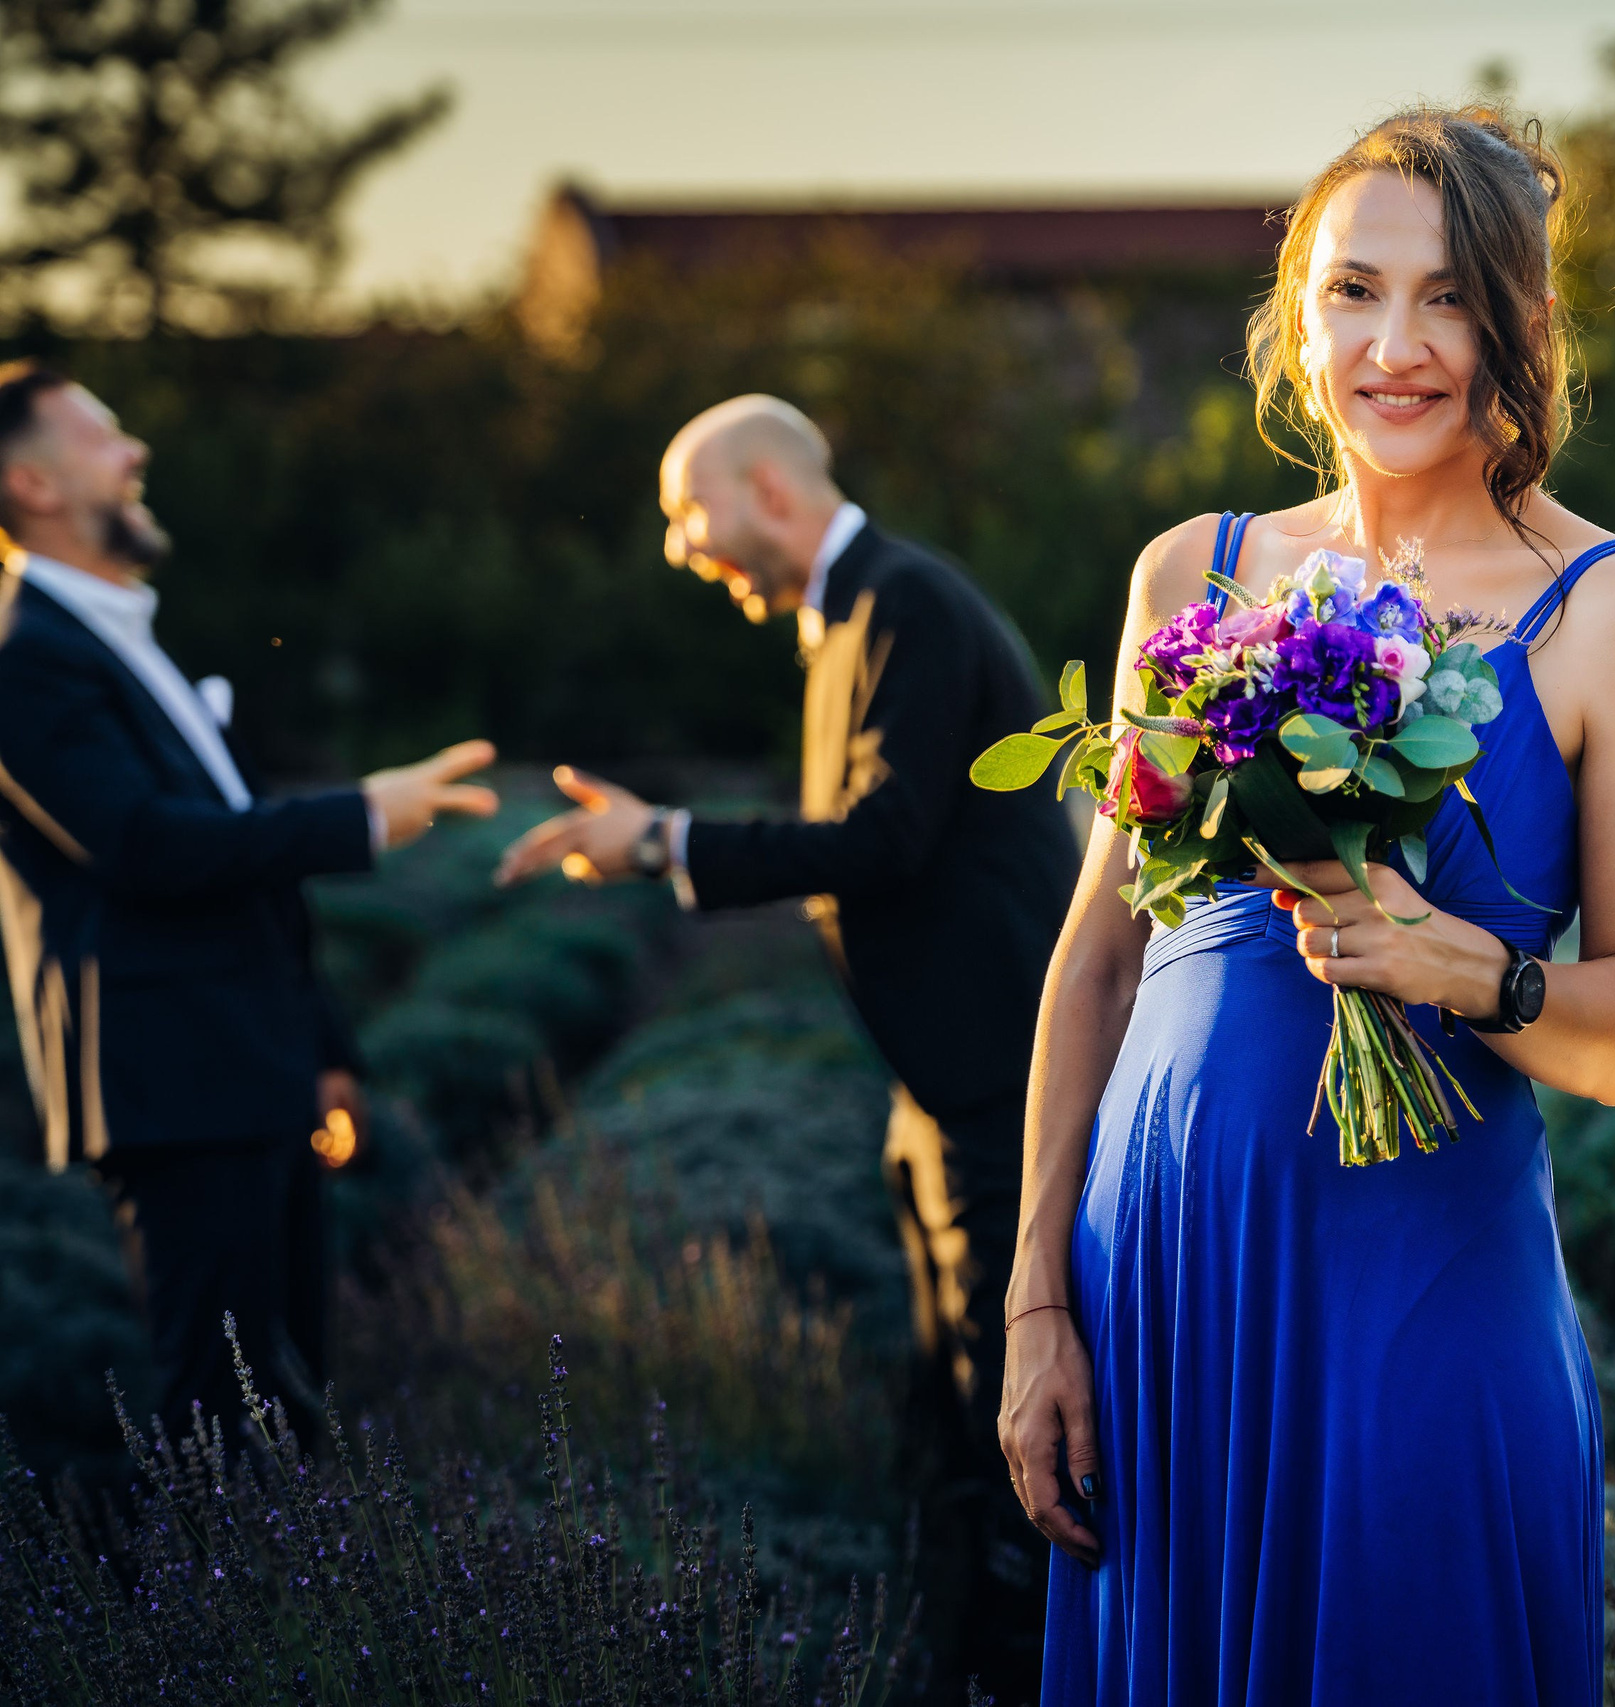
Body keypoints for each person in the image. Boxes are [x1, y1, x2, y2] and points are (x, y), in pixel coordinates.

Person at [1006, 107, 1615, 1705]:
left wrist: (1474, 970)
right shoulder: (1194, 570)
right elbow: (1101, 962)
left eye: (1451, 297)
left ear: (1525, 325)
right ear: (1294, 316)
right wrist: (1041, 1295)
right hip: (1165, 1267)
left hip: (1425, 1279)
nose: (1395, 346)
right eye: (1353, 292)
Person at [494, 393, 1077, 1703]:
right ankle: (961, 1649)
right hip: (938, 1081)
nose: (675, 545)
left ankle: (1027, 1668)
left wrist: (664, 841)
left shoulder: (905, 601)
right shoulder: (853, 612)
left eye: (685, 512)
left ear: (766, 489)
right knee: (948, 1402)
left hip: (1001, 1080)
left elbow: (882, 838)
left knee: (1009, 1420)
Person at [0, 360, 497, 1438]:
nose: (133, 453)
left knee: (289, 1409)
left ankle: (271, 1607)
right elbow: (142, 846)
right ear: (31, 485)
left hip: (249, 1068)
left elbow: (238, 864)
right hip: (174, 1082)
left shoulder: (118, 637)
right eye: (101, 436)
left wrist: (323, 1052)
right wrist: (360, 814)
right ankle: (204, 1616)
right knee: (219, 1429)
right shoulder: (23, 655)